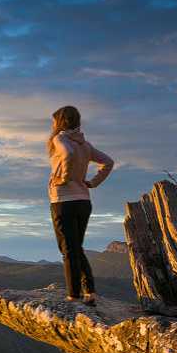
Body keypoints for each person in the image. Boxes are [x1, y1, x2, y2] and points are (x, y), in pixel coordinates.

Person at [47, 105, 113, 305]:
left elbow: (66, 154)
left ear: (60, 121)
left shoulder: (60, 139)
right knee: (76, 247)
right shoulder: (85, 145)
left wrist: (63, 178)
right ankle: (90, 291)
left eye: (53, 121)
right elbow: (108, 162)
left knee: (67, 249)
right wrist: (92, 183)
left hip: (63, 200)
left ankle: (73, 295)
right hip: (84, 201)